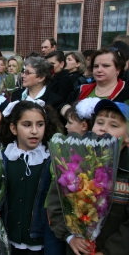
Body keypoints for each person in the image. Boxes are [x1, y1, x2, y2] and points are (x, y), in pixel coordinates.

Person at [48, 99, 129, 255]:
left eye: (114, 125)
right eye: (99, 122)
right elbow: (56, 203)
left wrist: (110, 251)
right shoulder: (76, 163)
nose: (103, 129)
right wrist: (70, 236)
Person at [0, 100, 64, 255]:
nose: (34, 131)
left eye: (40, 124)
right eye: (27, 125)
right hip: (9, 238)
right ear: (13, 128)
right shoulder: (3, 158)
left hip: (40, 241)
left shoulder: (52, 160)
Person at [61, 48, 129, 116]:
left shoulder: (126, 93)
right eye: (96, 66)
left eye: (106, 66)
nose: (99, 70)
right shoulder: (81, 90)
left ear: (118, 69)